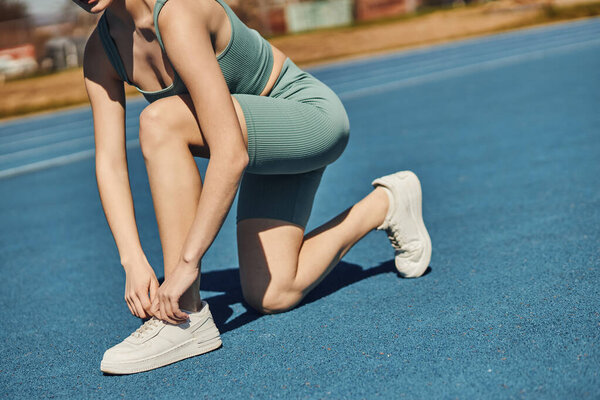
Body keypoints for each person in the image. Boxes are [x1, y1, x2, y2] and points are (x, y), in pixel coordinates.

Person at [74, 0, 432, 375]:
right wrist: (131, 259)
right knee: (273, 294)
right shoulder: (101, 51)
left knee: (160, 122)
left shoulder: (177, 14)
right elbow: (109, 163)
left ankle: (185, 317)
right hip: (260, 139)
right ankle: (387, 202)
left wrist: (185, 266)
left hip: (307, 118)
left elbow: (230, 155)